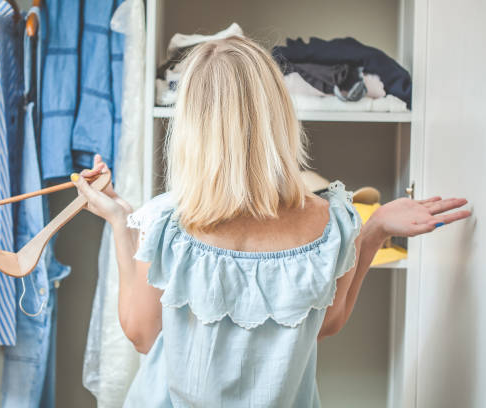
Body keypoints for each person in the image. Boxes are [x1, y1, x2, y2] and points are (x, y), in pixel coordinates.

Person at [73, 37, 470, 407]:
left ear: (191, 127)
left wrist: (121, 222)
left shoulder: (166, 221)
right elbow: (325, 323)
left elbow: (144, 336)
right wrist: (375, 227)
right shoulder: (332, 221)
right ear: (278, 114)